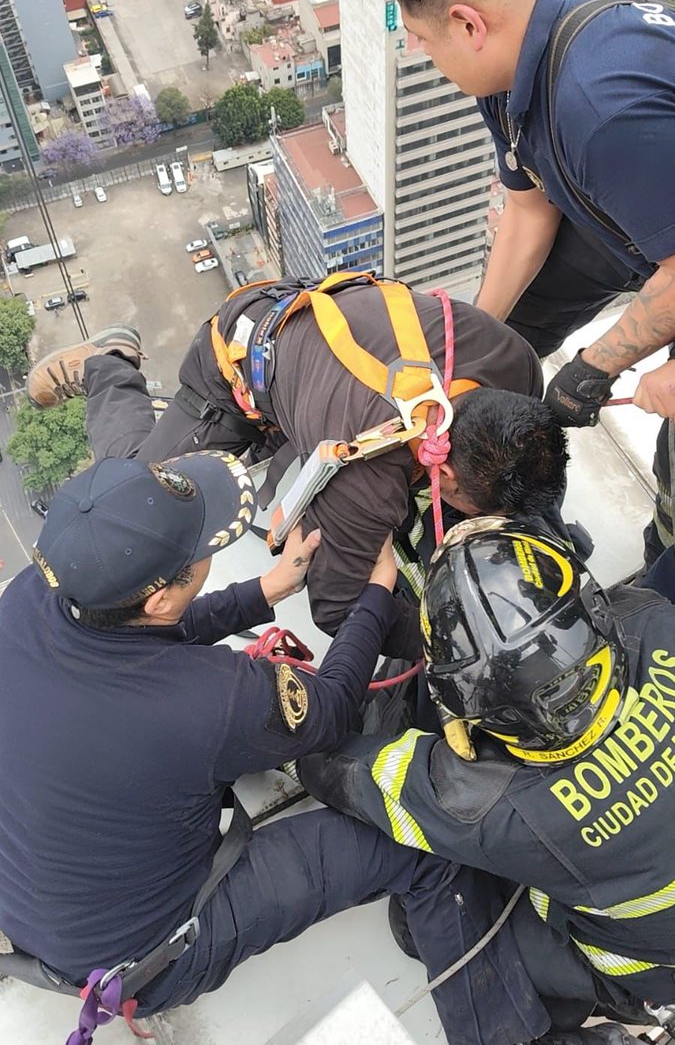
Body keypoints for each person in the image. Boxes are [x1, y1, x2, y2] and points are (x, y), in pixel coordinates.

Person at [0, 453, 527, 1043]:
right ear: (157, 599)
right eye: (200, 549)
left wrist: (264, 591)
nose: (207, 553)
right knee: (428, 842)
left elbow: (142, 636)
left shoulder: (31, 599)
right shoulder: (208, 700)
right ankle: (503, 1031)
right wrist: (375, 596)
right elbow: (327, 711)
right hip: (145, 956)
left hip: (42, 908)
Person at [359, 0, 675, 562]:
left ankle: (664, 566)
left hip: (662, 245)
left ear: (468, 24)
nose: (420, 53)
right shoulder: (513, 71)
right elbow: (529, 211)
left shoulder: (598, 103)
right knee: (498, 350)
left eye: (420, 37)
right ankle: (491, 500)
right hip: (630, 223)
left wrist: (595, 366)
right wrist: (469, 346)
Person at [25, 278, 568, 658]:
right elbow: (339, 610)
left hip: (328, 346)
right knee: (132, 495)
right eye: (471, 507)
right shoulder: (369, 475)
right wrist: (463, 645)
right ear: (443, 475)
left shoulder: (518, 368)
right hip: (241, 357)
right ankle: (108, 365)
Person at [298, 517, 675, 1045]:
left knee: (422, 930)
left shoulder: (497, 807)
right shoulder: (653, 619)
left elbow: (345, 772)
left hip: (647, 969)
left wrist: (290, 710)